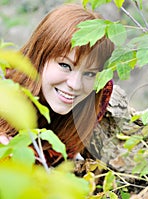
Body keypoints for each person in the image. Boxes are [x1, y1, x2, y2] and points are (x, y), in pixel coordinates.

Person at [0, 4, 114, 166]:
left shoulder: (100, 92)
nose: (75, 84)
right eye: (65, 65)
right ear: (40, 55)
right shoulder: (6, 88)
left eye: (89, 73)